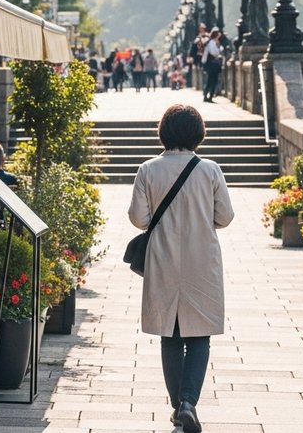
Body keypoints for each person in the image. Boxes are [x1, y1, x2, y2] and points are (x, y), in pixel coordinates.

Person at [127, 105, 234, 432]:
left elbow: (139, 219)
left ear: (164, 132)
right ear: (198, 133)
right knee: (200, 336)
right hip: (202, 261)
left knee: (170, 337)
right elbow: (225, 217)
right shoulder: (210, 169)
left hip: (164, 260)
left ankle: (178, 408)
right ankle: (188, 403)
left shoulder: (148, 169)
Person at [201, 28, 223, 102]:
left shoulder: (212, 42)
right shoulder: (212, 43)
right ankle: (209, 96)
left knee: (211, 80)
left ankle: (208, 95)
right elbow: (214, 52)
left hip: (212, 64)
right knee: (212, 80)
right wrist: (219, 51)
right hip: (213, 64)